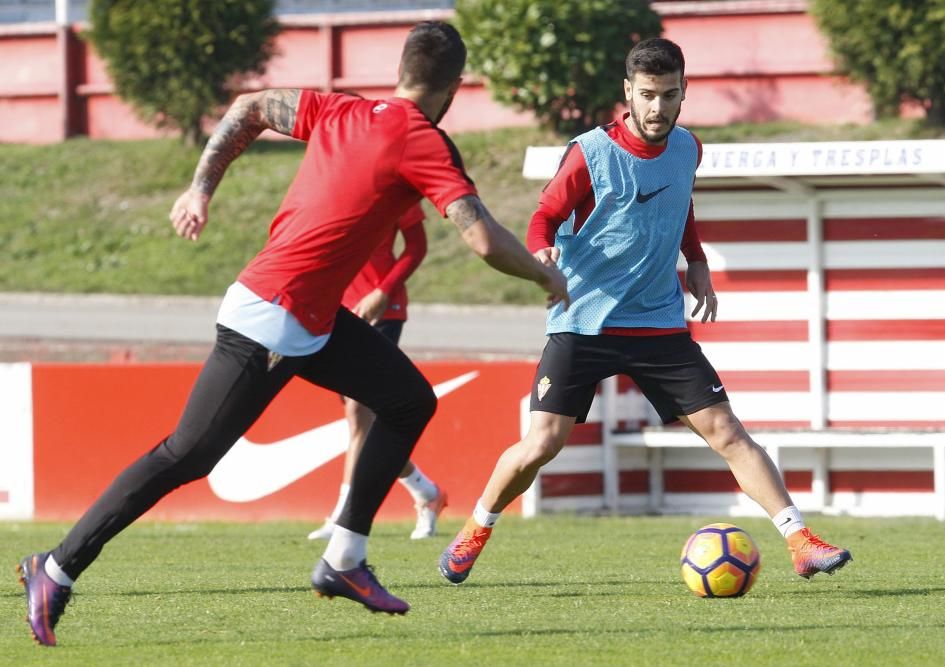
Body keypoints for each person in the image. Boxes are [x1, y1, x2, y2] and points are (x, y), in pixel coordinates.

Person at [17, 21, 568, 646]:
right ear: (455, 88)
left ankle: (343, 560)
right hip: (273, 314)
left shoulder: (343, 109)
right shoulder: (426, 140)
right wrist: (547, 280)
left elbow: (248, 108)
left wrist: (200, 187)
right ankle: (55, 567)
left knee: (408, 400)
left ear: (401, 71)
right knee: (188, 455)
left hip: (309, 316)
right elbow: (482, 238)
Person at [439, 37, 852, 586]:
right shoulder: (590, 151)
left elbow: (680, 202)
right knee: (543, 443)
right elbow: (545, 213)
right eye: (649, 96)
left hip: (657, 322)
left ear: (684, 93)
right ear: (628, 93)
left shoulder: (688, 148)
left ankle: (801, 542)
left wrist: (697, 259)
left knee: (727, 430)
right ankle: (475, 529)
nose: (658, 108)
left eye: (670, 95)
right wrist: (542, 252)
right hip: (583, 319)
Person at [306, 202, 448, 542]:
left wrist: (383, 291)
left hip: (382, 309)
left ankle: (344, 514)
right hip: (336, 308)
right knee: (363, 424)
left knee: (359, 413)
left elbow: (417, 246)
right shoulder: (334, 180)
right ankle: (425, 492)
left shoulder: (395, 183)